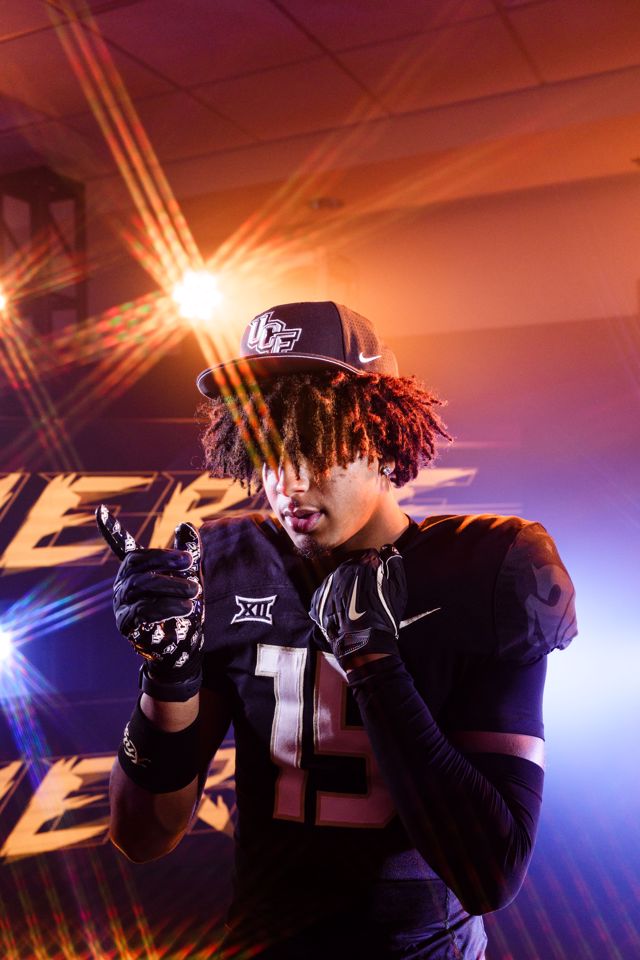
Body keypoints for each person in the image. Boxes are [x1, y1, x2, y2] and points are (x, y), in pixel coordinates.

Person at [97, 300, 577, 960]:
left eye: (315, 444)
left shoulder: (485, 571)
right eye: (269, 448)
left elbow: (490, 873)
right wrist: (167, 680)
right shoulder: (231, 565)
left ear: (379, 434)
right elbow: (142, 837)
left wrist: (374, 662)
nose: (288, 481)